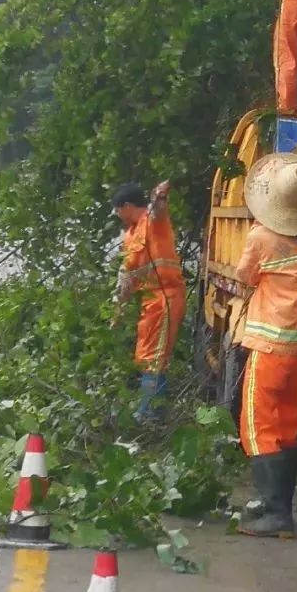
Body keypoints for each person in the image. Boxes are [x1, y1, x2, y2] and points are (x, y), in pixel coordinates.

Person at [232, 153, 297, 537]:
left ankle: (275, 513)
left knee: (258, 426)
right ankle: (281, 510)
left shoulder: (261, 237)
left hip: (270, 347)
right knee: (289, 426)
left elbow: (245, 277)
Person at [112, 180, 186, 423]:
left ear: (126, 206)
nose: (117, 216)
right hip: (150, 303)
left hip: (166, 298)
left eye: (117, 210)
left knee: (155, 359)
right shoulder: (131, 235)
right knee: (146, 357)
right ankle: (149, 410)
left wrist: (159, 195)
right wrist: (118, 305)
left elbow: (158, 210)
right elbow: (129, 274)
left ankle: (151, 415)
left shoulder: (153, 222)